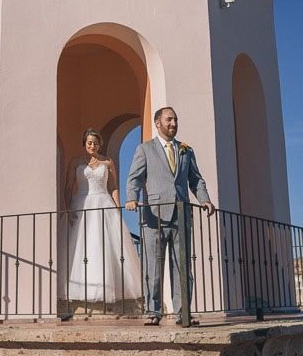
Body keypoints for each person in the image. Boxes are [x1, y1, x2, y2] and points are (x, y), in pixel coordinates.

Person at [125, 107, 215, 325]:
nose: (174, 123)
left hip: (181, 216)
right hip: (153, 216)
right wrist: (131, 197)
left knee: (183, 266)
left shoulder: (186, 150)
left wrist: (204, 199)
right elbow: (135, 178)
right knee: (153, 267)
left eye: (175, 119)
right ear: (158, 123)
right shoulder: (145, 149)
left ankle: (183, 312)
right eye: (169, 119)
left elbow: (196, 179)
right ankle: (153, 312)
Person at [64, 128, 143, 304]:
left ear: (100, 144)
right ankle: (85, 288)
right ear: (84, 143)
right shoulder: (75, 162)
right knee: (83, 247)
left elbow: (113, 187)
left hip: (103, 202)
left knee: (104, 245)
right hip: (82, 204)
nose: (93, 145)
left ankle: (108, 288)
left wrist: (117, 207)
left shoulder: (107, 162)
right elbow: (69, 187)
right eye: (89, 142)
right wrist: (68, 209)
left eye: (96, 142)